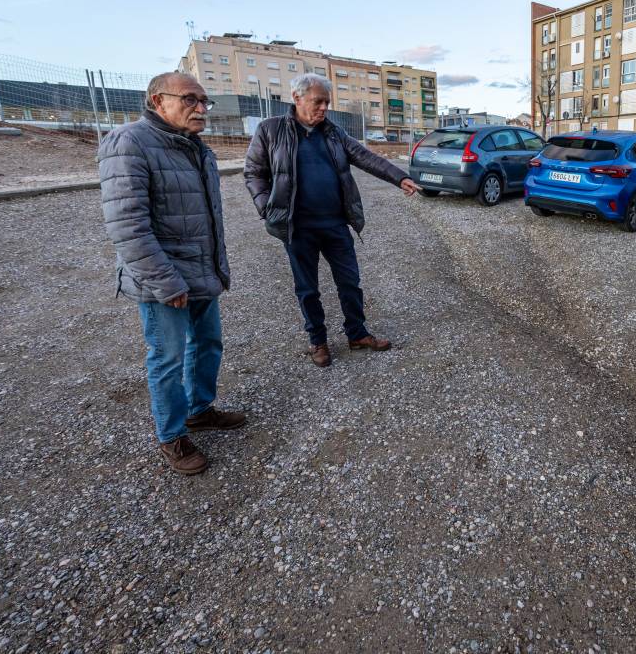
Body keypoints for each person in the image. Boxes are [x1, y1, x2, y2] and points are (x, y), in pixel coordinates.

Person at [98, 72, 246, 476]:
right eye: (189, 99)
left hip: (200, 272)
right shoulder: (129, 142)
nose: (201, 109)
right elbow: (127, 225)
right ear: (157, 101)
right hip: (163, 280)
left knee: (208, 344)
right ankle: (172, 435)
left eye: (204, 101)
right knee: (168, 357)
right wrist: (165, 281)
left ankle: (199, 410)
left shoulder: (196, 147)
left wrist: (215, 268)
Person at [244, 73, 420, 367]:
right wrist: (267, 209)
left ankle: (357, 334)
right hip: (297, 228)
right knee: (307, 288)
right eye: (318, 101)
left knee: (350, 282)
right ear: (297, 98)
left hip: (335, 224)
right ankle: (318, 340)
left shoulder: (333, 132)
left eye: (327, 102)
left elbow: (366, 157)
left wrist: (399, 177)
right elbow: (253, 173)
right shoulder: (270, 129)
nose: (324, 107)